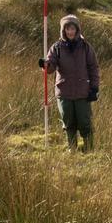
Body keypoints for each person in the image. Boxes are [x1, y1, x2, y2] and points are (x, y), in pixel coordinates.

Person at [42, 13, 100, 150]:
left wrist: (94, 88)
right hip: (64, 92)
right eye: (67, 29)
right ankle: (71, 148)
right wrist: (46, 65)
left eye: (72, 28)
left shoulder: (86, 47)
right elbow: (50, 68)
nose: (70, 31)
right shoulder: (56, 47)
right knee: (68, 123)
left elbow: (93, 67)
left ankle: (89, 149)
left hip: (82, 92)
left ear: (77, 29)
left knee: (85, 123)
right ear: (63, 30)